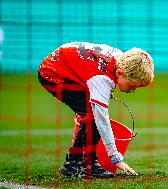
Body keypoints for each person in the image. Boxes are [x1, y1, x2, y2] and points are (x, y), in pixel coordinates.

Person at [38, 42, 154, 178]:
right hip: (52, 73)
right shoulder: (102, 79)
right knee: (93, 114)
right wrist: (115, 157)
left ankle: (85, 161)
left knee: (91, 113)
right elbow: (102, 120)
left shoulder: (121, 59)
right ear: (120, 72)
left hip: (65, 65)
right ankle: (75, 163)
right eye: (132, 86)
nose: (132, 90)